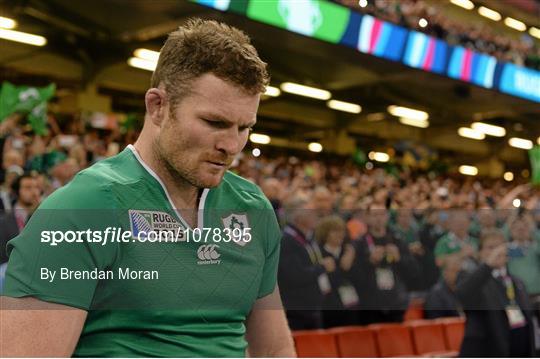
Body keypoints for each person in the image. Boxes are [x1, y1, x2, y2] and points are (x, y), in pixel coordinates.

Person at [1, 19, 295, 357]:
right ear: (158, 107)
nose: (232, 144)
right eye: (215, 122)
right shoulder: (84, 209)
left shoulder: (252, 207)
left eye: (245, 127)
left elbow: (274, 352)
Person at [455, 229, 536, 357]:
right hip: (488, 350)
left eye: (500, 246)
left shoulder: (516, 282)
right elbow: (462, 293)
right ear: (480, 253)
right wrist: (487, 266)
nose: (497, 252)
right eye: (490, 247)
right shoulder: (472, 277)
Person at [278, 195, 332, 330]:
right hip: (298, 310)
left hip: (312, 306)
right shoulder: (287, 241)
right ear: (298, 216)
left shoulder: (309, 238)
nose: (316, 215)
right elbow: (295, 275)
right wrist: (322, 267)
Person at [315, 215, 358, 328]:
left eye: (342, 231)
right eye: (335, 231)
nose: (340, 234)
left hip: (352, 306)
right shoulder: (319, 254)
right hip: (331, 308)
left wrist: (350, 259)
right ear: (325, 233)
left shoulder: (349, 251)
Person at [0, 173, 41, 263]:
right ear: (16, 191)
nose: (34, 192)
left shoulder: (45, 218)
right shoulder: (3, 221)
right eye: (28, 187)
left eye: (36, 187)